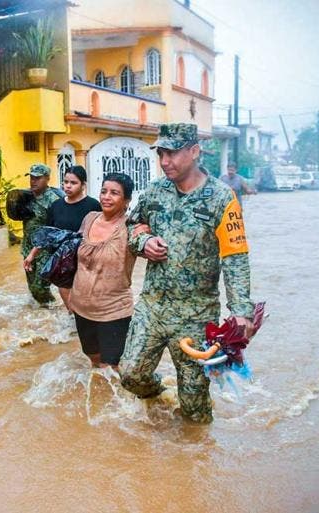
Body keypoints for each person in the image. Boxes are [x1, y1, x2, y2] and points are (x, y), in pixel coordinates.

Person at [120, 123, 255, 423]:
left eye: (172, 153)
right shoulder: (155, 191)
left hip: (196, 314)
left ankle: (194, 457)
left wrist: (241, 310)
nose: (165, 161)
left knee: (194, 408)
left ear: (194, 152)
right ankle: (158, 396)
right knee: (130, 374)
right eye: (161, 154)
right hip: (153, 305)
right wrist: (144, 241)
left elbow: (235, 256)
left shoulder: (222, 198)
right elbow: (133, 224)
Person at [67, 173, 137, 370]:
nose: (106, 197)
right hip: (81, 308)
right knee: (94, 361)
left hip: (113, 311)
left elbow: (150, 249)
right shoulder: (89, 218)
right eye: (104, 191)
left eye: (114, 193)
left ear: (126, 200)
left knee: (110, 369)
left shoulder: (132, 228)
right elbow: (73, 251)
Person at [22, 165, 101, 309]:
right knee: (68, 299)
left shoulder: (93, 205)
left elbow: (102, 233)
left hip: (85, 259)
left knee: (86, 299)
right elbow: (48, 234)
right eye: (65, 182)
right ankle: (71, 323)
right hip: (62, 262)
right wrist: (32, 255)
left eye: (73, 183)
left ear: (83, 185)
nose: (68, 186)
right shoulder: (56, 206)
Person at [20, 163, 63, 306]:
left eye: (37, 178)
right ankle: (40, 317)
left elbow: (56, 228)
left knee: (40, 287)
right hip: (27, 247)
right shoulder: (25, 196)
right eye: (31, 177)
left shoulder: (54, 200)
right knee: (32, 287)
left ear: (47, 179)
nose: (33, 181)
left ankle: (55, 311)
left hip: (45, 250)